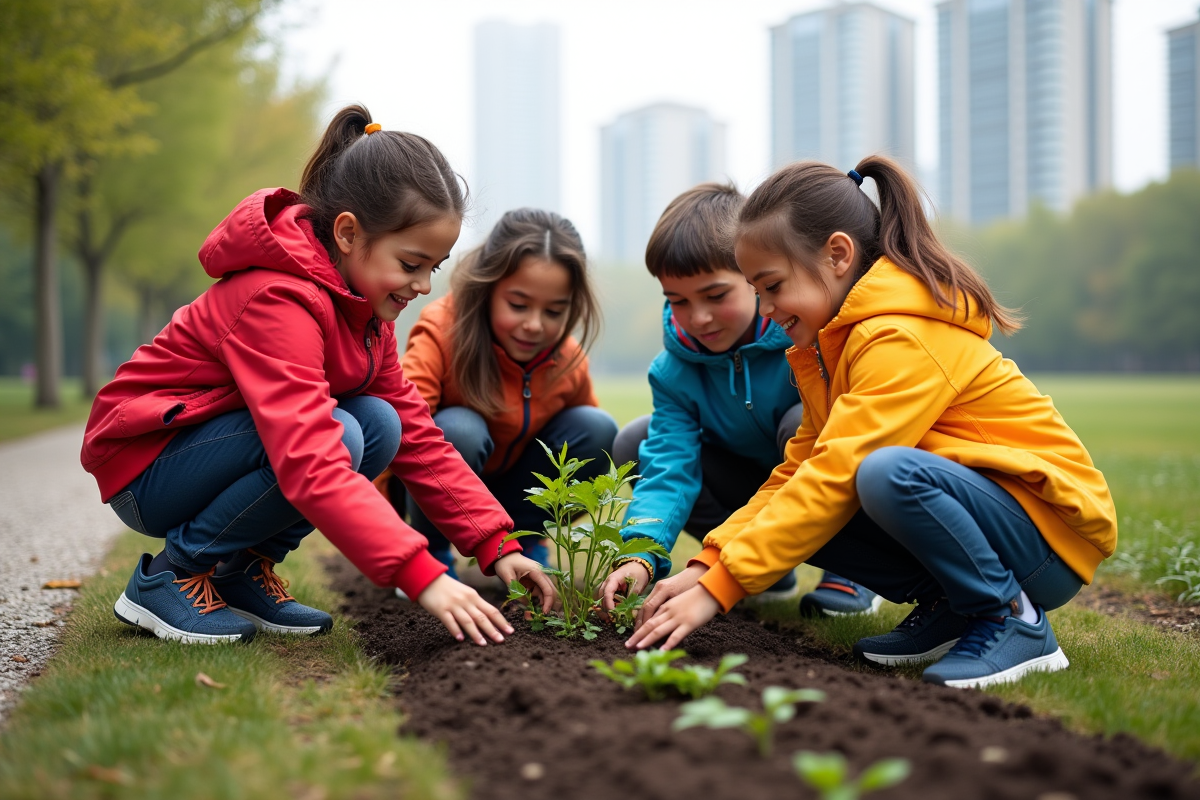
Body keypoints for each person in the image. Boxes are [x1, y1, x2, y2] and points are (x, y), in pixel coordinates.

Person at [626, 156, 1117, 689]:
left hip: (1048, 535)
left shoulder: (898, 337)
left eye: (771, 286)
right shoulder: (831, 347)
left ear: (838, 255)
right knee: (815, 494)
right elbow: (798, 473)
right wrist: (709, 566)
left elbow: (839, 471)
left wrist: (720, 589)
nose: (765, 309)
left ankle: (1011, 619)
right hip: (997, 524)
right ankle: (951, 607)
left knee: (884, 474)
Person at [81, 105, 554, 646]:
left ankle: (240, 571)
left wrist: (497, 544)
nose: (424, 285)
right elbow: (309, 457)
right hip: (147, 462)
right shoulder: (277, 297)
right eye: (410, 263)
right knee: (343, 433)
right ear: (348, 234)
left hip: (206, 447)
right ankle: (171, 575)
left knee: (380, 422)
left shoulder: (363, 312)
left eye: (434, 268)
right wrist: (421, 575)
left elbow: (418, 437)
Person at [597, 183, 878, 614]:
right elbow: (668, 467)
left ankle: (852, 572)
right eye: (678, 301)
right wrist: (640, 553)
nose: (699, 318)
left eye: (715, 296)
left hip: (815, 475)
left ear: (755, 278)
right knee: (637, 442)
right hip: (748, 489)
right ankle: (763, 569)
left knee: (803, 423)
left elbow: (843, 452)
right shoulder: (673, 372)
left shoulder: (807, 334)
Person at [382, 207, 616, 582]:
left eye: (554, 311)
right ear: (487, 289)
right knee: (460, 429)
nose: (534, 325)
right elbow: (403, 434)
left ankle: (527, 542)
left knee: (596, 427)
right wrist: (392, 532)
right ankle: (434, 553)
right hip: (441, 490)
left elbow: (586, 457)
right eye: (518, 305)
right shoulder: (442, 331)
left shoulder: (567, 358)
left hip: (510, 494)